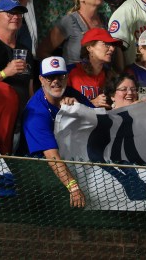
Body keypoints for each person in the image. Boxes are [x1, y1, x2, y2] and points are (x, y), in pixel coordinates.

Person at [22, 56, 93, 208]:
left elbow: (98, 121)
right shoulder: (36, 111)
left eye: (60, 76)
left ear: (66, 77)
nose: (56, 81)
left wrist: (78, 109)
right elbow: (51, 155)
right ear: (41, 79)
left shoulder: (72, 95)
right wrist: (73, 187)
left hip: (71, 162)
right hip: (39, 173)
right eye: (49, 77)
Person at [37, 0, 109, 65]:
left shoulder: (105, 20)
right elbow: (42, 51)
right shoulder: (69, 21)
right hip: (75, 76)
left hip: (102, 77)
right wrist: (62, 71)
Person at [68, 28, 119, 108]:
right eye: (106, 44)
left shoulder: (111, 75)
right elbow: (60, 105)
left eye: (112, 45)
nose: (112, 48)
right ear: (89, 48)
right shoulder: (71, 72)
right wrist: (92, 103)